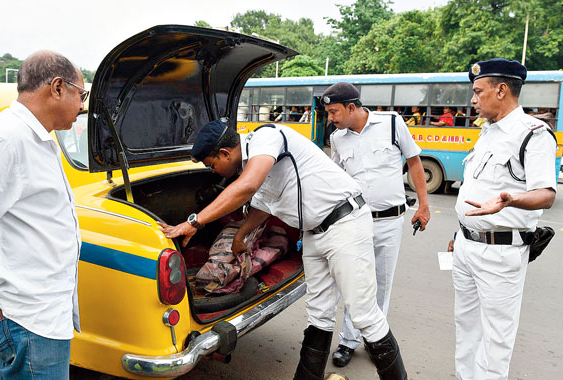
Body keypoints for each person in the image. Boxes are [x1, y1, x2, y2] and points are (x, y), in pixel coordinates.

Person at [159, 119, 408, 380]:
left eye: (212, 165)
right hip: (314, 233)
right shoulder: (254, 164)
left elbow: (248, 187)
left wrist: (194, 222)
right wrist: (240, 235)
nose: (213, 171)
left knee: (364, 315)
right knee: (319, 315)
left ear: (224, 153)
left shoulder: (265, 137)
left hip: (345, 223)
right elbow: (262, 206)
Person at [0, 50, 86, 379]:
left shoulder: (37, 139)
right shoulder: (5, 140)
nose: (83, 105)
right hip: (26, 323)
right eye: (81, 94)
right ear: (57, 88)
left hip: (44, 318)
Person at [449, 58, 557, 380]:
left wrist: (512, 200)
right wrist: (462, 232)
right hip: (466, 248)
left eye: (478, 91)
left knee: (496, 340)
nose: (473, 99)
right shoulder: (488, 133)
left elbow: (546, 194)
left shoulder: (533, 134)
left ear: (501, 89)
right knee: (465, 329)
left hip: (501, 253)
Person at [323, 82, 430, 367]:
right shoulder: (338, 138)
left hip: (391, 220)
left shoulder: (392, 123)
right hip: (356, 220)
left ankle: (375, 340)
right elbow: (337, 179)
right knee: (354, 280)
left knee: (382, 284)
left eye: (334, 112)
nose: (331, 118)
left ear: (351, 107)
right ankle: (348, 340)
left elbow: (415, 163)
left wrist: (424, 205)